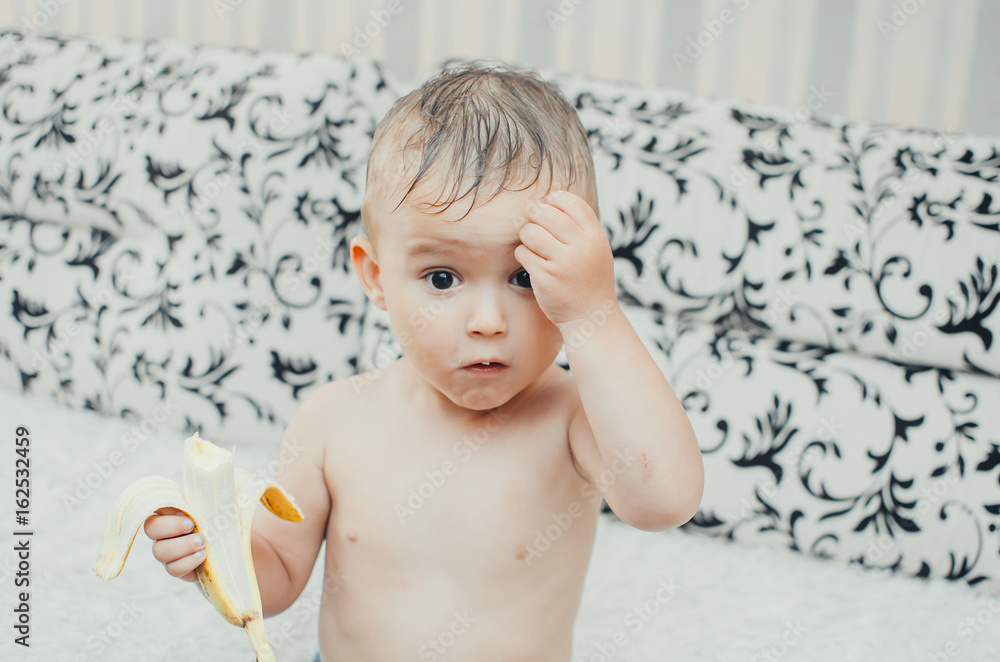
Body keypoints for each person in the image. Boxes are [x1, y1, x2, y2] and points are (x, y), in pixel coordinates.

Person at [143, 60, 704, 662]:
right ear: (376, 277)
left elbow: (665, 499)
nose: (487, 321)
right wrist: (216, 552)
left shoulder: (571, 418)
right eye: (442, 277)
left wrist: (595, 313)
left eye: (524, 276)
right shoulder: (331, 421)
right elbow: (277, 573)